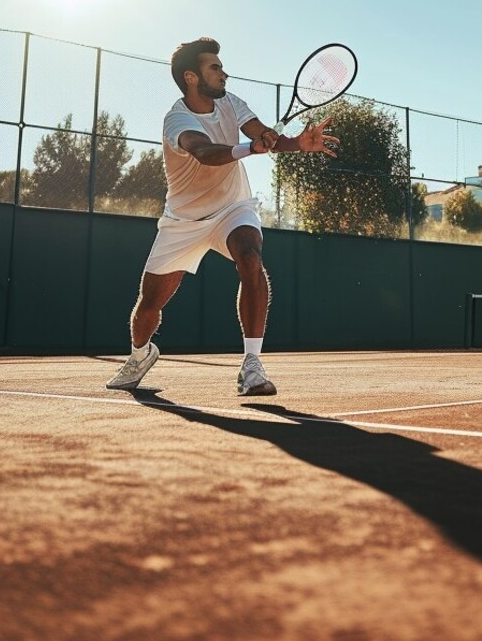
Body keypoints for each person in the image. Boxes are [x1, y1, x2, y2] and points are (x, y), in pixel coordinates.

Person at [106, 37, 339, 395]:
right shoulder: (177, 120)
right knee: (149, 305)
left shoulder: (232, 103)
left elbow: (263, 135)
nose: (223, 72)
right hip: (183, 221)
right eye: (214, 67)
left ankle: (252, 365)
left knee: (250, 257)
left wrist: (295, 144)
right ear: (191, 77)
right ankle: (140, 354)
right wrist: (250, 147)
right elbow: (204, 152)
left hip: (234, 208)